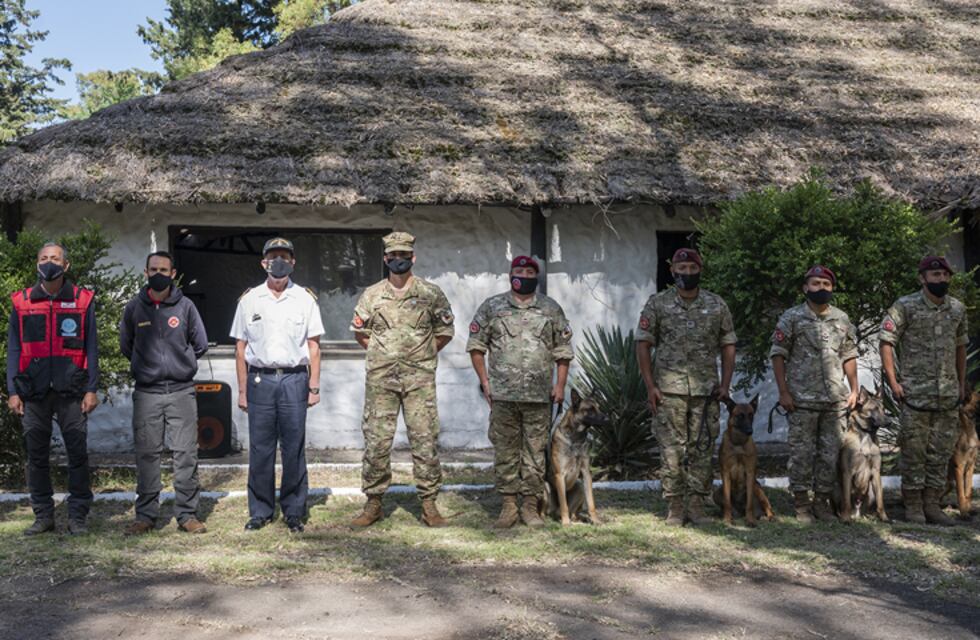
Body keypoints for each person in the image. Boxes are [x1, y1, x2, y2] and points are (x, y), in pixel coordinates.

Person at [349, 231, 455, 527]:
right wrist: (383, 354)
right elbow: (360, 332)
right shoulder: (372, 295)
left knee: (424, 440)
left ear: (413, 258)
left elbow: (445, 331)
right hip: (381, 381)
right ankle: (373, 503)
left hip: (418, 381)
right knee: (377, 442)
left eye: (404, 256)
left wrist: (421, 355)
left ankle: (429, 504)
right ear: (385, 259)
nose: (399, 260)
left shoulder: (430, 293)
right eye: (393, 256)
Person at [467, 256, 573, 528]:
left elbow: (562, 350)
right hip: (502, 395)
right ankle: (509, 506)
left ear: (535, 277)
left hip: (539, 397)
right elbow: (476, 346)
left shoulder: (550, 309)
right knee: (505, 451)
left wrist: (559, 385)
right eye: (519, 270)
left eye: (529, 271)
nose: (524, 275)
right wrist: (486, 382)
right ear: (510, 274)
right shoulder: (492, 307)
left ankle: (529, 506)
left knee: (535, 452)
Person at [636, 248, 736, 526]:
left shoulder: (716, 305)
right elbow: (643, 344)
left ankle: (696, 505)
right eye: (682, 268)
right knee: (671, 450)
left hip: (707, 392)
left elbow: (728, 345)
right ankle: (675, 506)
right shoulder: (657, 304)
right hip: (668, 391)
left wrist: (725, 384)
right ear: (673, 271)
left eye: (692, 268)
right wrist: (650, 386)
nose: (687, 273)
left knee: (702, 448)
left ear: (700, 270)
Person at [230, 238, 323, 533]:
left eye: (284, 256)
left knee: (293, 448)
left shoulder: (306, 299)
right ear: (263, 263)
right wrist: (243, 390)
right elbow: (240, 349)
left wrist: (314, 386)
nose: (278, 261)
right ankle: (260, 511)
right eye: (273, 257)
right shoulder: (249, 300)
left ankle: (294, 511)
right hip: (260, 381)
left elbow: (314, 346)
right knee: (260, 449)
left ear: (293, 262)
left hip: (295, 379)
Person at [6, 242, 99, 535]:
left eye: (55, 259)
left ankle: (78, 516)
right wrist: (12, 390)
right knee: (36, 457)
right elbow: (13, 348)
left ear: (66, 266)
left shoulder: (83, 300)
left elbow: (92, 348)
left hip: (72, 390)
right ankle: (43, 515)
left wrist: (92, 388)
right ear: (37, 265)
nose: (49, 263)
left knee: (77, 454)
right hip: (33, 391)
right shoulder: (21, 301)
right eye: (44, 258)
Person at [119, 251, 209, 535]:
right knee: (147, 455)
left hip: (181, 391)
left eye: (164, 269)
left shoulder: (185, 307)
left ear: (173, 274)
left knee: (186, 454)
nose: (158, 273)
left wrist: (179, 364)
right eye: (153, 268)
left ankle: (187, 515)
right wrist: (147, 367)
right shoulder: (134, 308)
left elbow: (200, 343)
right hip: (147, 393)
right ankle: (145, 516)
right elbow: (126, 345)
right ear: (145, 272)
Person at [880, 255, 969, 526]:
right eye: (935, 276)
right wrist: (894, 382)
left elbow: (961, 346)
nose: (941, 280)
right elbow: (886, 341)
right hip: (914, 395)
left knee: (940, 453)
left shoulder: (957, 308)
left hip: (947, 396)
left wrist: (961, 383)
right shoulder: (905, 306)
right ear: (922, 278)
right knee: (914, 453)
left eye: (944, 276)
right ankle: (914, 507)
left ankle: (932, 505)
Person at [770, 265, 859, 524]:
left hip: (834, 400)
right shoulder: (792, 318)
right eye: (816, 283)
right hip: (800, 400)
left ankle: (821, 503)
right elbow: (778, 354)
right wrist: (783, 392)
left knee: (829, 454)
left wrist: (853, 389)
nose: (821, 288)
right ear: (805, 288)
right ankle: (801, 505)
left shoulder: (842, 319)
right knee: (801, 453)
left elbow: (849, 355)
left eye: (826, 284)